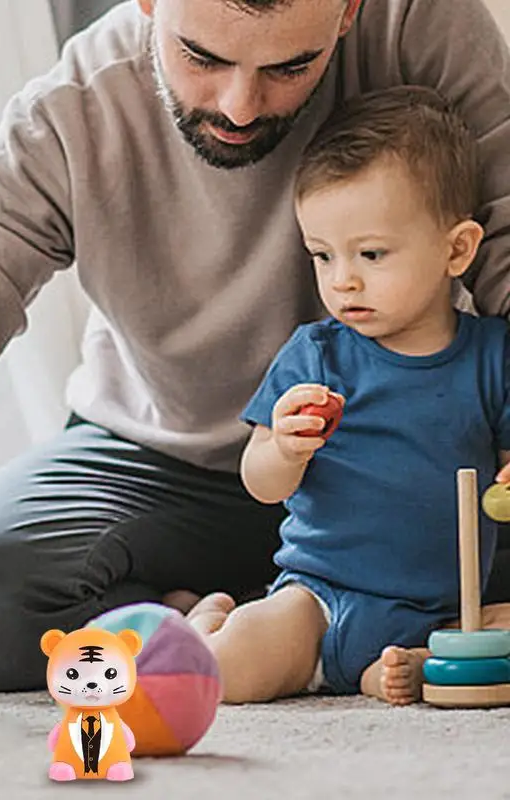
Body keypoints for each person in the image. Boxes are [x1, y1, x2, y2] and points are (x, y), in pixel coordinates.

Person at [0, 0, 510, 692]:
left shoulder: (420, 20)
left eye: (290, 67)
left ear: (349, 11)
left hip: (410, 459)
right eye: (203, 55)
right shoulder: (76, 109)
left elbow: (503, 239)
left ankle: (309, 621)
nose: (239, 105)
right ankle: (218, 620)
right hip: (162, 463)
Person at [186, 85, 510, 706]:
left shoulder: (490, 357)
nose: (343, 279)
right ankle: (208, 623)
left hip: (442, 609)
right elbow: (261, 482)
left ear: (457, 249)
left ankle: (391, 668)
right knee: (226, 675)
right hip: (317, 598)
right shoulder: (317, 355)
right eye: (322, 255)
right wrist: (284, 447)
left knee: (482, 643)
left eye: (371, 254)